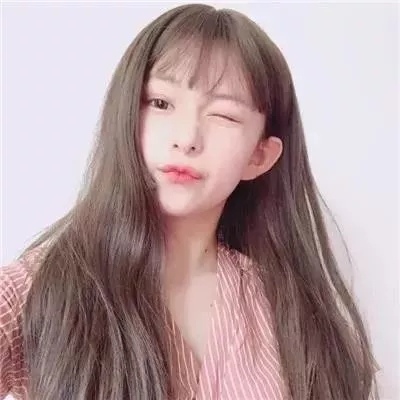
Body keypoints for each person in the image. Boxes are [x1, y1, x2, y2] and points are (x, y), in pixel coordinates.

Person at [0, 3, 379, 400]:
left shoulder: (293, 313)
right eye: (161, 103)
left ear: (259, 156)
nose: (186, 138)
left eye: (224, 115)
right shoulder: (37, 289)